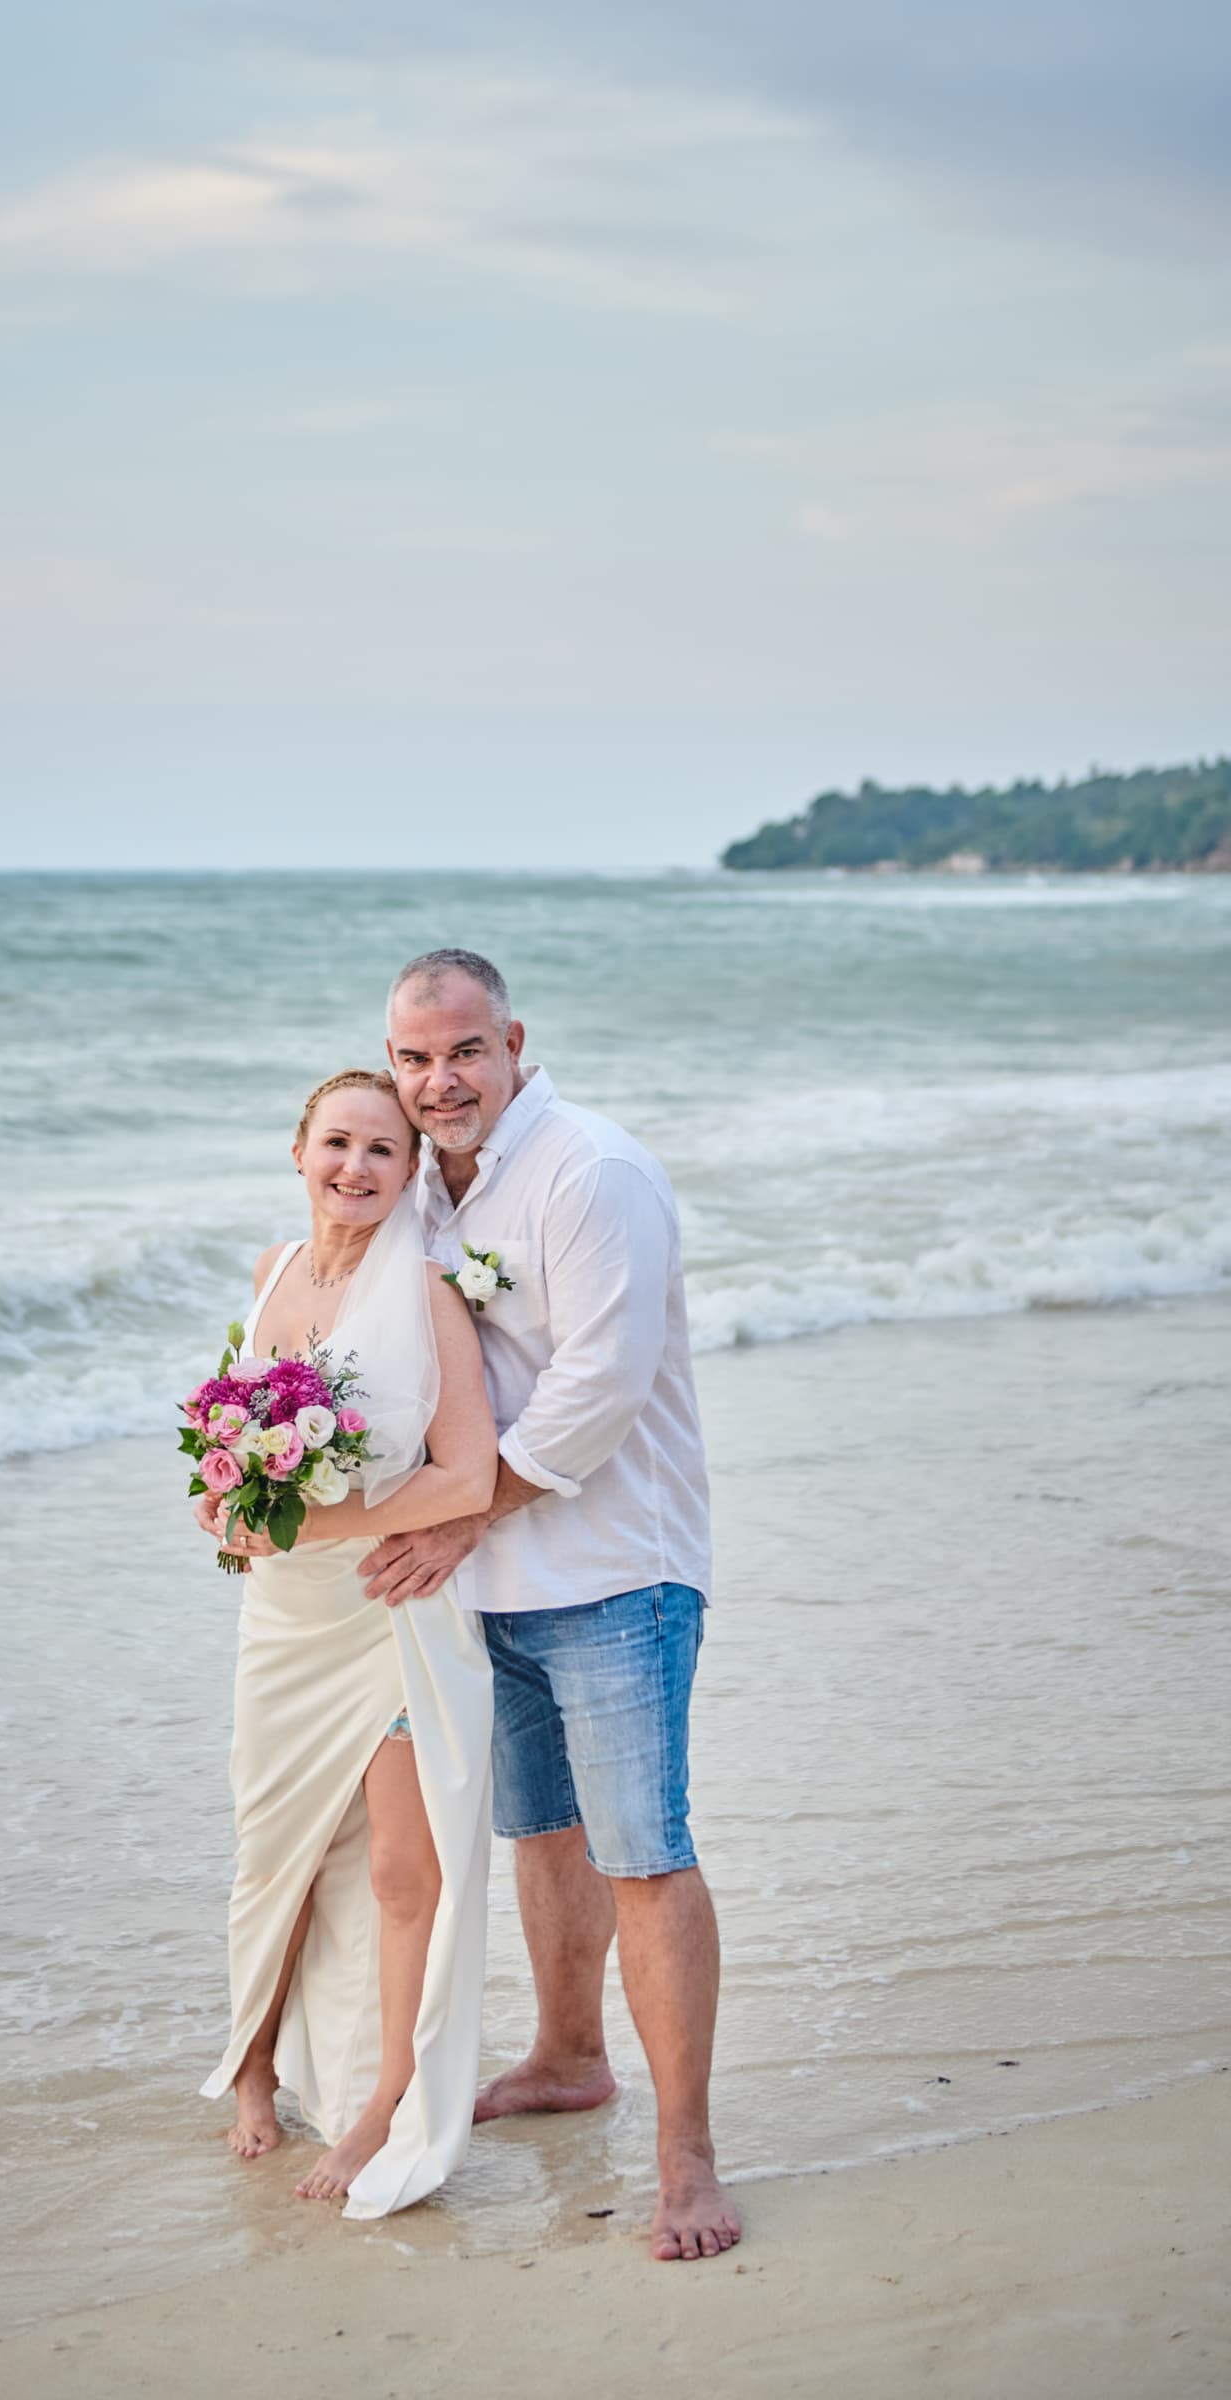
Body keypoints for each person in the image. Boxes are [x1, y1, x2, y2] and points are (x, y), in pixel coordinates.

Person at [361, 949, 743, 2262]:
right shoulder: (421, 1192)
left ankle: (683, 2154)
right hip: (491, 1580)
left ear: (512, 1042)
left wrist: (460, 1515)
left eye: (461, 1051)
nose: (437, 1080)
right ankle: (568, 2054)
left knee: (642, 1851)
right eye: (412, 1059)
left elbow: (601, 1383)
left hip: (618, 1568)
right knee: (543, 1835)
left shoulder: (592, 1171)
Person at [194, 1068, 499, 2218]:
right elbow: (231, 1436)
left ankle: (388, 2098)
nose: (356, 1168)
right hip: (280, 1618)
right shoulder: (268, 1271)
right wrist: (221, 1504)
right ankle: (255, 2070)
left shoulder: (427, 1293)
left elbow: (463, 1475)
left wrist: (318, 1520)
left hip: (388, 1610)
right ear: (298, 1149)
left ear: (411, 1170)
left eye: (383, 1150)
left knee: (399, 1869)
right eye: (338, 1143)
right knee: (271, 1851)